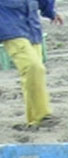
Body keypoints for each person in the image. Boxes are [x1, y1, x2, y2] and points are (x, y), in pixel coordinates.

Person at [0, 0, 64, 128]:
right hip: (8, 25)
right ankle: (42, 116)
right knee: (33, 68)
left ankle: (34, 120)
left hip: (32, 26)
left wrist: (51, 12)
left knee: (33, 76)